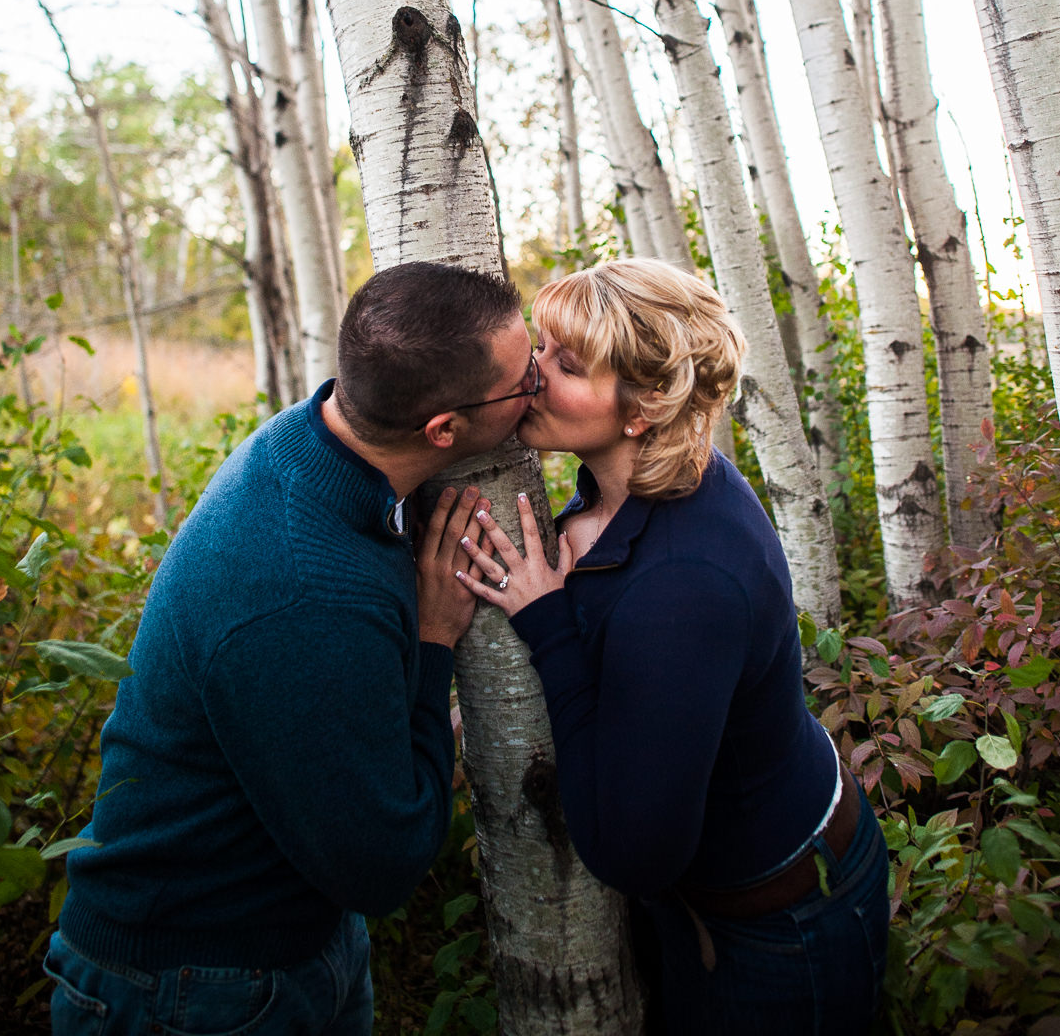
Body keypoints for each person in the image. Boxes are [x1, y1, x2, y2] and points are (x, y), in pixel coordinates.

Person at [45, 260, 539, 1036]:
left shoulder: (310, 441)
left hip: (286, 936)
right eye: (525, 380)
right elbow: (382, 864)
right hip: (195, 982)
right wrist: (433, 638)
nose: (539, 383)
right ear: (442, 429)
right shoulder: (305, 594)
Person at [457, 258, 890, 1035]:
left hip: (779, 926)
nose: (533, 374)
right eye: (542, 346)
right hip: (727, 892)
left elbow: (633, 856)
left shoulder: (684, 586)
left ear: (644, 408)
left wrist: (549, 627)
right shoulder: (643, 482)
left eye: (568, 364)